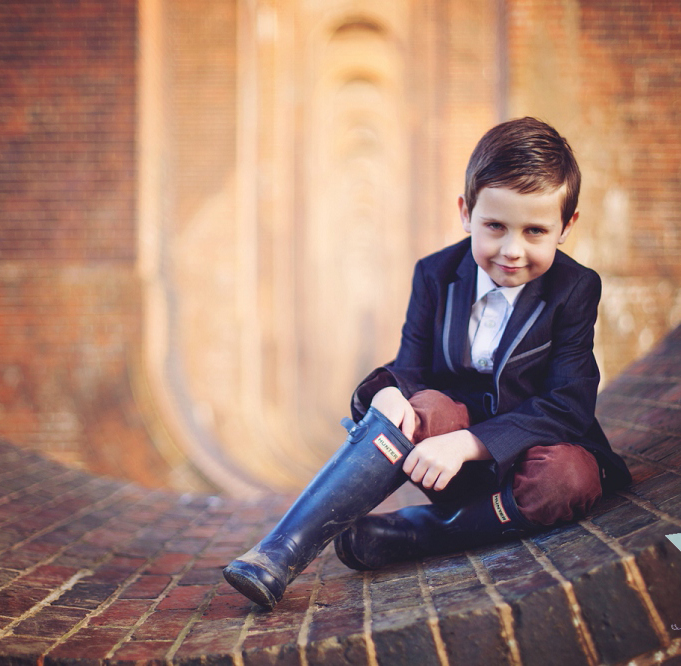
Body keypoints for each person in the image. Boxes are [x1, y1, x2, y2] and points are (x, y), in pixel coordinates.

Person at [223, 117, 632, 610]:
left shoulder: (574, 289)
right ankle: (280, 551)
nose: (511, 250)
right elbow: (412, 365)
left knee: (571, 477)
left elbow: (569, 404)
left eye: (535, 231)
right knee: (418, 406)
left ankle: (410, 533)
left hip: (528, 460)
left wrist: (470, 442)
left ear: (566, 226)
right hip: (442, 465)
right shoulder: (436, 274)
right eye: (495, 226)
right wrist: (389, 392)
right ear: (466, 213)